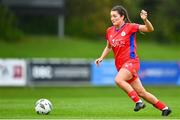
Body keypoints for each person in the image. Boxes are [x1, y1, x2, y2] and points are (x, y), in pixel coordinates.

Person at [95, 5, 172, 116]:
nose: (112, 18)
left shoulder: (130, 27)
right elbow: (108, 47)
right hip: (121, 66)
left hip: (131, 62)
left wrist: (145, 20)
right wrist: (101, 58)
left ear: (122, 17)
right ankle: (164, 108)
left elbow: (149, 29)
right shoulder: (109, 31)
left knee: (118, 80)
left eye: (115, 16)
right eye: (111, 16)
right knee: (141, 92)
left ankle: (138, 102)